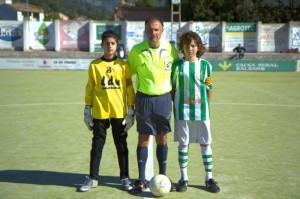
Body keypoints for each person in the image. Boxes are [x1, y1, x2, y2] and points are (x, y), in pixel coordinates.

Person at [126, 16, 179, 194]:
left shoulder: (171, 50)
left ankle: (163, 178)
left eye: (156, 29)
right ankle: (141, 180)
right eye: (150, 29)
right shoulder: (136, 51)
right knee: (144, 138)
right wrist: (130, 102)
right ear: (145, 31)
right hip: (144, 100)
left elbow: (175, 78)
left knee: (162, 138)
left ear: (162, 31)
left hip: (164, 100)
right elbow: (127, 76)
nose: (153, 33)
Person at [80, 30, 135, 192]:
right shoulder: (95, 65)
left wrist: (131, 109)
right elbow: (90, 88)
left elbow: (129, 89)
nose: (110, 46)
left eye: (112, 43)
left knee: (121, 145)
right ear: (102, 45)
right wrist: (87, 108)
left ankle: (124, 177)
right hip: (100, 112)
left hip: (119, 112)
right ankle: (93, 178)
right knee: (97, 145)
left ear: (117, 45)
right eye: (106, 43)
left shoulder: (123, 66)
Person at [170, 31, 220, 193]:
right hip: (182, 112)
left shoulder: (206, 66)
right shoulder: (176, 66)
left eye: (193, 45)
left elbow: (209, 88)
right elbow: (173, 89)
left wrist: (204, 105)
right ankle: (183, 178)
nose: (190, 48)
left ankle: (209, 178)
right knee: (184, 144)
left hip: (202, 112)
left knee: (205, 143)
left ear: (198, 47)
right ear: (182, 48)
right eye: (186, 45)